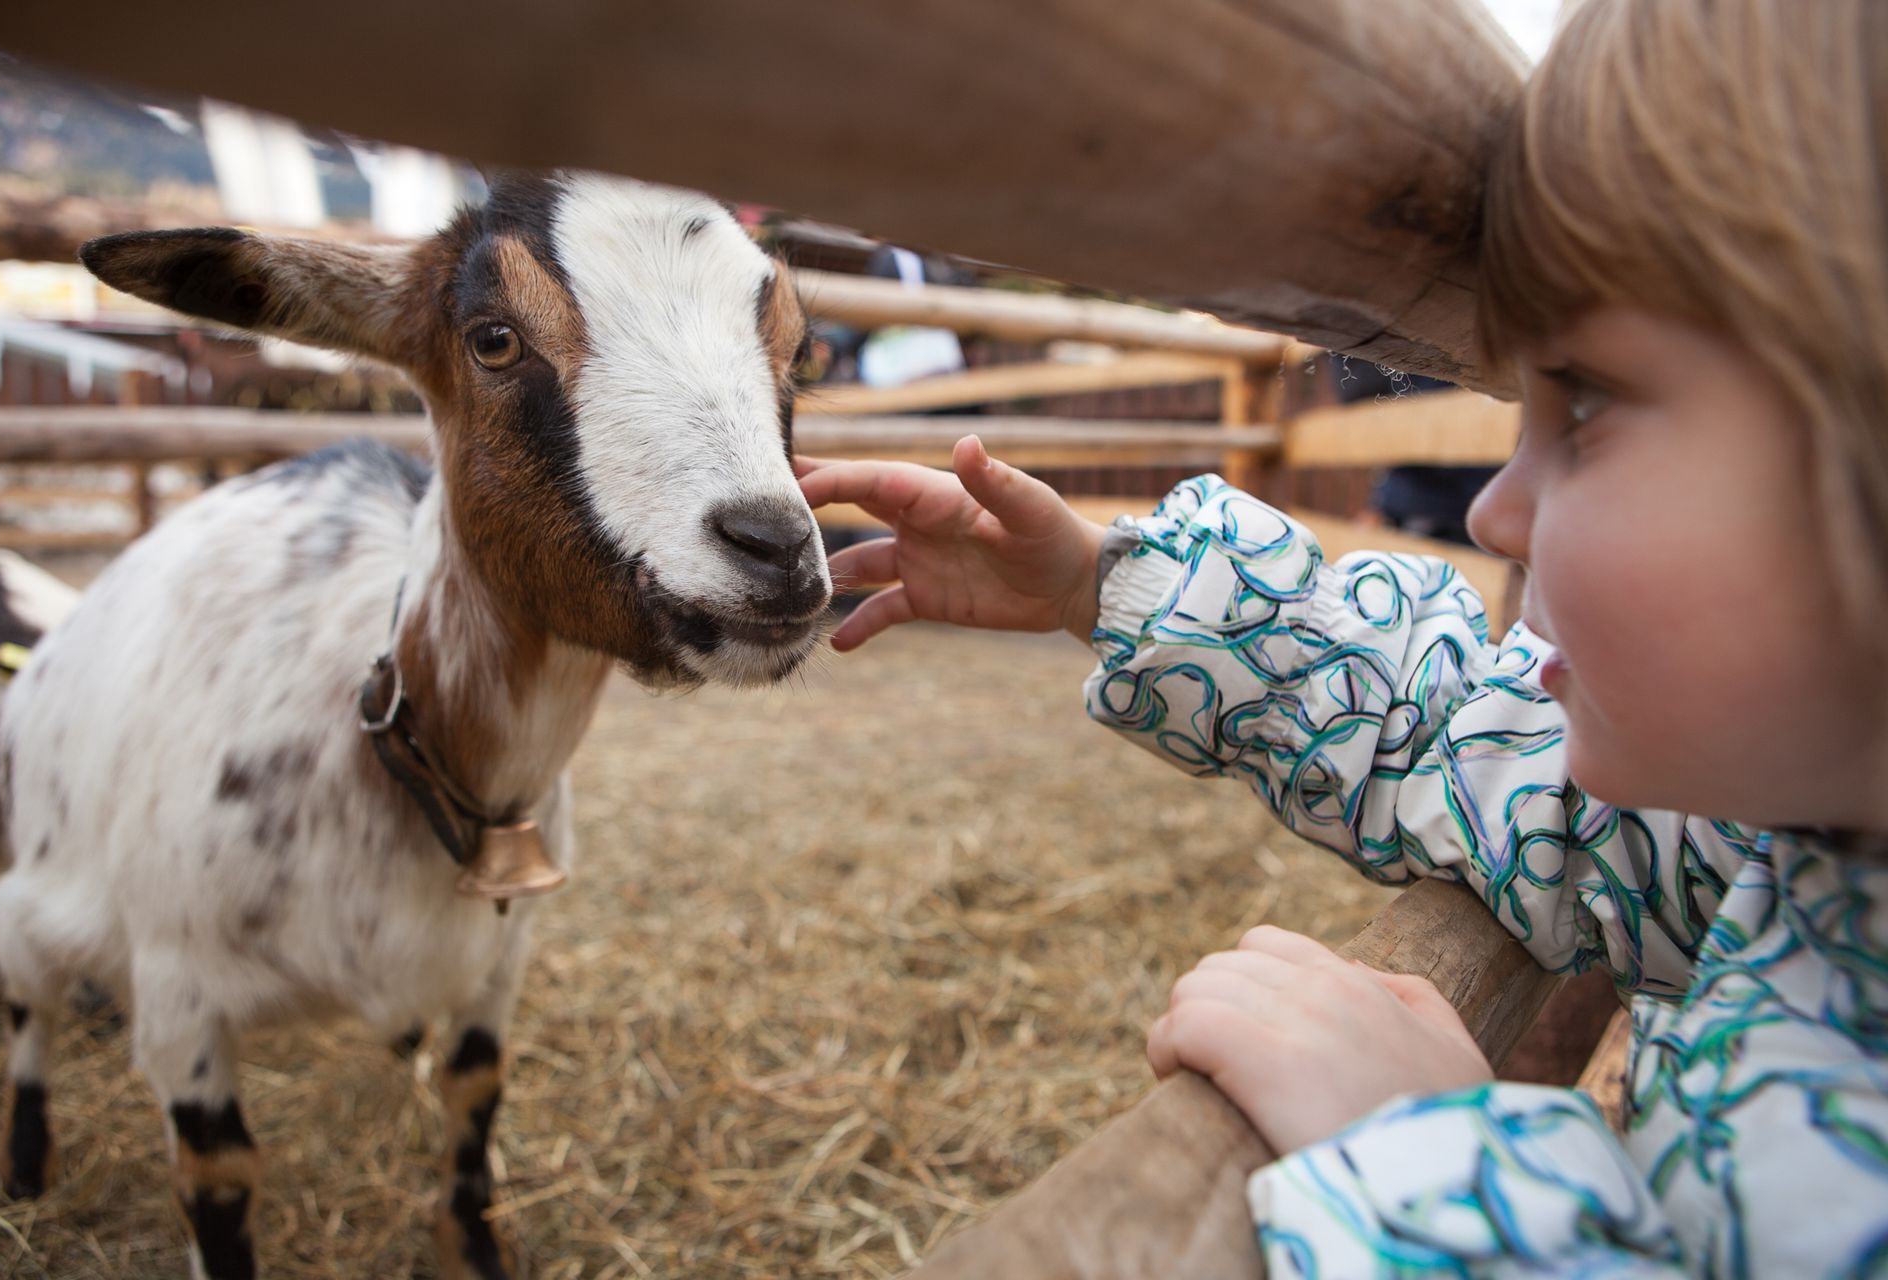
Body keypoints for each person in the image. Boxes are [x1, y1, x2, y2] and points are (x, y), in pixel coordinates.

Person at [796, 0, 1888, 1272]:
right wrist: (1104, 587)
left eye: (1584, 403)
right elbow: (1459, 749)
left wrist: (1451, 1173)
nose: (1492, 507)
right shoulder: (1795, 843)